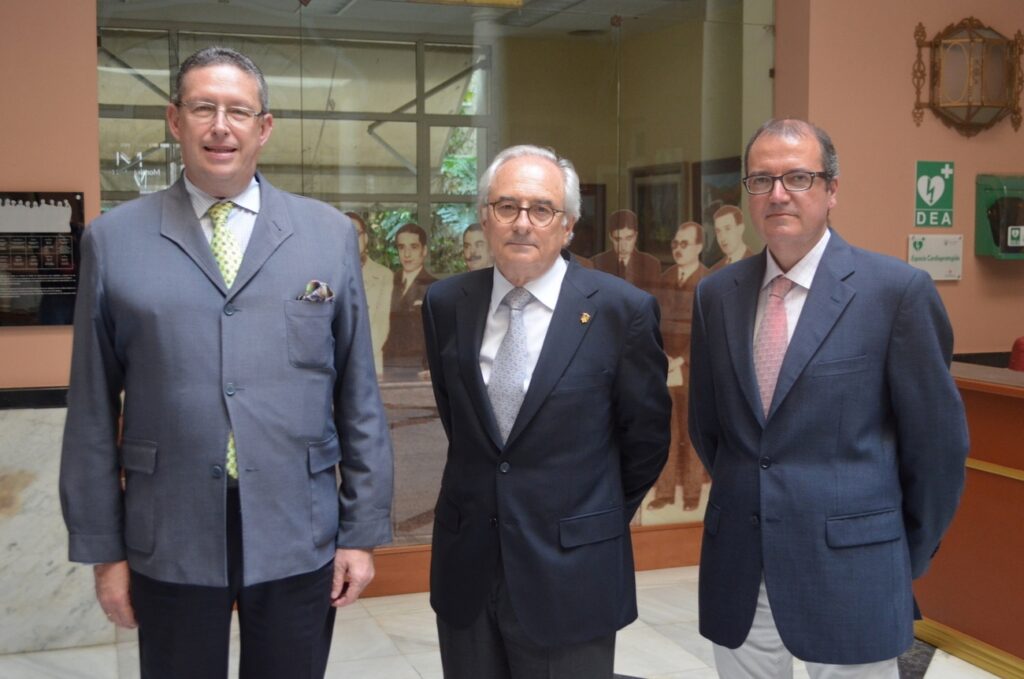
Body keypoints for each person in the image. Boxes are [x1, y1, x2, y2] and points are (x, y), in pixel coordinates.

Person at [59, 46, 394, 679]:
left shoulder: (325, 235)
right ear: (174, 120)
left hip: (300, 527)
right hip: (169, 533)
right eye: (203, 107)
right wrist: (105, 552)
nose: (221, 125)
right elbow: (91, 411)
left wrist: (360, 531)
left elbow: (358, 394)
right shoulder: (114, 240)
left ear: (263, 127)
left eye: (238, 110)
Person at [688, 119, 969, 678]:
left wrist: (896, 552)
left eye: (798, 177)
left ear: (832, 190)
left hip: (854, 566)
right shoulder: (717, 295)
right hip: (742, 564)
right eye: (761, 181)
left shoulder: (895, 293)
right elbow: (708, 426)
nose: (778, 194)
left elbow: (936, 451)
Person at [422, 144, 671, 679]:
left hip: (572, 571)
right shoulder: (446, 304)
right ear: (485, 218)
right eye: (507, 207)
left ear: (569, 226)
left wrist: (587, 516)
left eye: (542, 210)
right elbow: (462, 425)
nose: (523, 224)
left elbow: (645, 441)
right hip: (468, 567)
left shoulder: (620, 312)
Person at [648, 221, 709, 512]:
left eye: (685, 243)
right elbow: (657, 323)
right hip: (666, 367)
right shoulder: (666, 276)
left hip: (693, 370)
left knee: (692, 434)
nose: (678, 249)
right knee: (666, 433)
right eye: (675, 243)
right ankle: (665, 492)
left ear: (699, 246)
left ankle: (693, 495)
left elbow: (704, 330)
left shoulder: (709, 281)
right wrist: (664, 358)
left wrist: (682, 359)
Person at [382, 222, 435, 371]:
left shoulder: (434, 287)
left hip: (419, 368)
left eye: (413, 247)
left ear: (424, 250)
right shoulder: (388, 282)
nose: (407, 254)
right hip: (388, 365)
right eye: (401, 247)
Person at [347, 211, 393, 379]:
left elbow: (381, 326)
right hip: (337, 363)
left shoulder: (384, 275)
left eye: (356, 234)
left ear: (365, 238)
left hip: (371, 362)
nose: (351, 239)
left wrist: (354, 356)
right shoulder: (328, 274)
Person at [592, 208, 662, 292]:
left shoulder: (651, 264)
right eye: (618, 239)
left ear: (636, 236)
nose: (623, 246)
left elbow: (654, 299)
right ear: (610, 237)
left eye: (628, 238)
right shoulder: (596, 263)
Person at [708, 204, 753, 271]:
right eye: (718, 231)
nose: (722, 237)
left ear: (740, 229)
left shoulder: (756, 265)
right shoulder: (714, 271)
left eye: (727, 229)